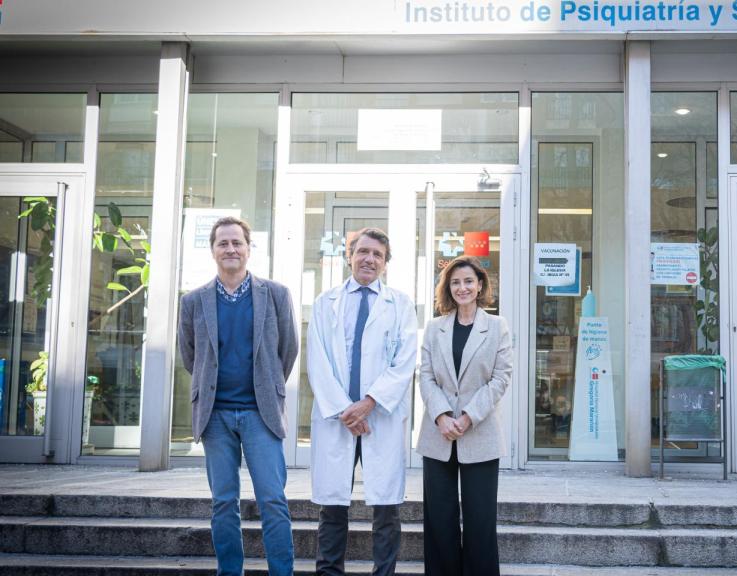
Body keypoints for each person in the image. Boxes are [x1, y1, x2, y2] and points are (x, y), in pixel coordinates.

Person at [178, 216, 298, 576]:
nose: (230, 249)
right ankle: (229, 572)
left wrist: (268, 385)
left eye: (237, 243)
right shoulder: (194, 300)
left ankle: (282, 572)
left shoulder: (275, 294)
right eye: (223, 243)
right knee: (223, 502)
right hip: (214, 416)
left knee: (273, 501)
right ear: (213, 250)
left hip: (261, 414)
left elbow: (288, 350)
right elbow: (190, 354)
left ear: (248, 248)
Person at [306, 227, 417, 576]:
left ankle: (383, 573)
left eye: (378, 255)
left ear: (385, 264)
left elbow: (405, 361)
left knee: (386, 507)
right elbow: (317, 361)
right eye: (363, 252)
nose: (370, 259)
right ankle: (328, 572)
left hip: (379, 417)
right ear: (349, 256)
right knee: (332, 506)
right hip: (337, 419)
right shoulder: (326, 303)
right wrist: (346, 410)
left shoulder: (399, 304)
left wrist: (369, 402)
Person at [416, 255, 512, 576]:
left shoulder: (497, 327)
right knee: (439, 522)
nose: (462, 287)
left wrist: (469, 416)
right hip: (438, 435)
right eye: (455, 282)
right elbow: (425, 376)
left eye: (468, 281)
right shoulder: (434, 328)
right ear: (447, 287)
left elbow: (500, 378)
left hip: (480, 433)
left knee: (479, 521)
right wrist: (442, 415)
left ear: (480, 284)